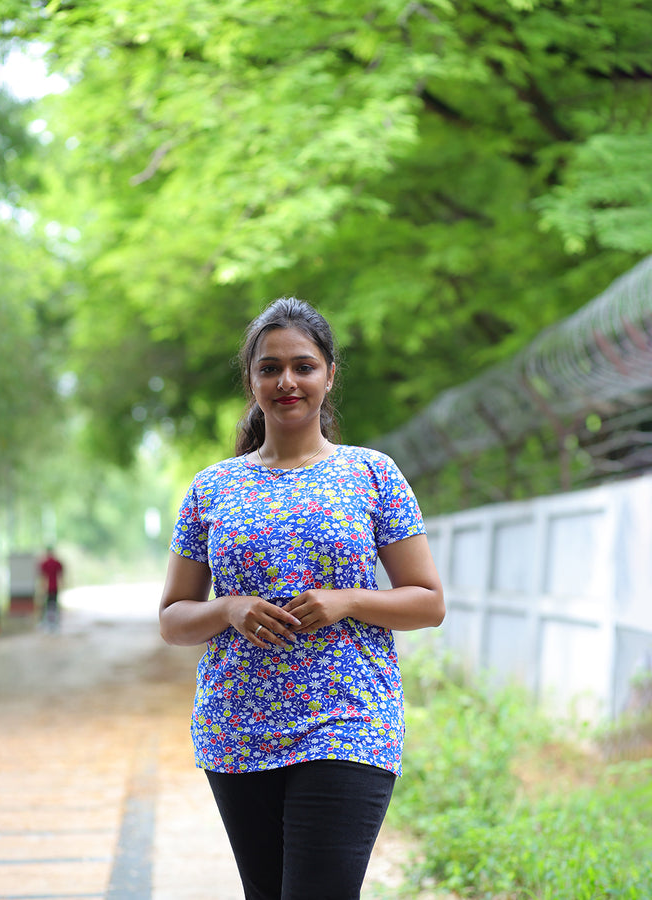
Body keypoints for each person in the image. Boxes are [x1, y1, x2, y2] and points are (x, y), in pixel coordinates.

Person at [159, 297, 444, 900]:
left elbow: (428, 601)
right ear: (252, 380)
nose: (286, 381)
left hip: (347, 722)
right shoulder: (212, 488)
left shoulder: (372, 473)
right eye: (270, 368)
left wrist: (348, 600)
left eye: (303, 365)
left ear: (329, 374)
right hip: (238, 728)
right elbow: (174, 619)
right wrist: (228, 609)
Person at [39, 547, 64, 630]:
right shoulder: (57, 563)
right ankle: (54, 622)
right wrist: (61, 585)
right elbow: (61, 576)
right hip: (55, 587)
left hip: (47, 587)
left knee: (47, 605)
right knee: (54, 604)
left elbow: (42, 577)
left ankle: (47, 622)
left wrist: (42, 587)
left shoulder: (44, 563)